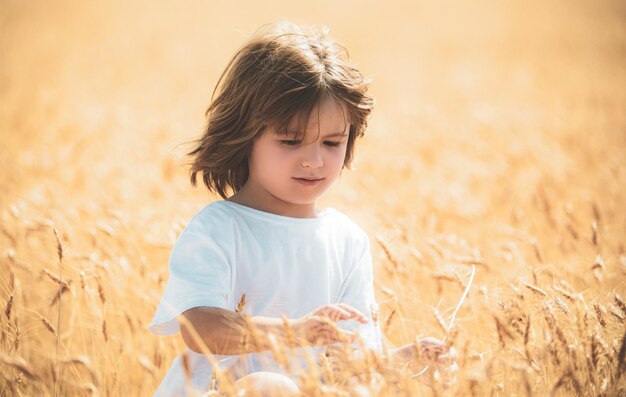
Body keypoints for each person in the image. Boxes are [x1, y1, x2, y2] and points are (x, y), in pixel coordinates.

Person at [148, 20, 458, 397]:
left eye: (331, 142)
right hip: (221, 391)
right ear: (245, 136)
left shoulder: (347, 241)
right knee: (270, 387)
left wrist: (404, 361)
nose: (314, 160)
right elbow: (200, 327)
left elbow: (351, 362)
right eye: (291, 141)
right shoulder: (218, 228)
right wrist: (292, 332)